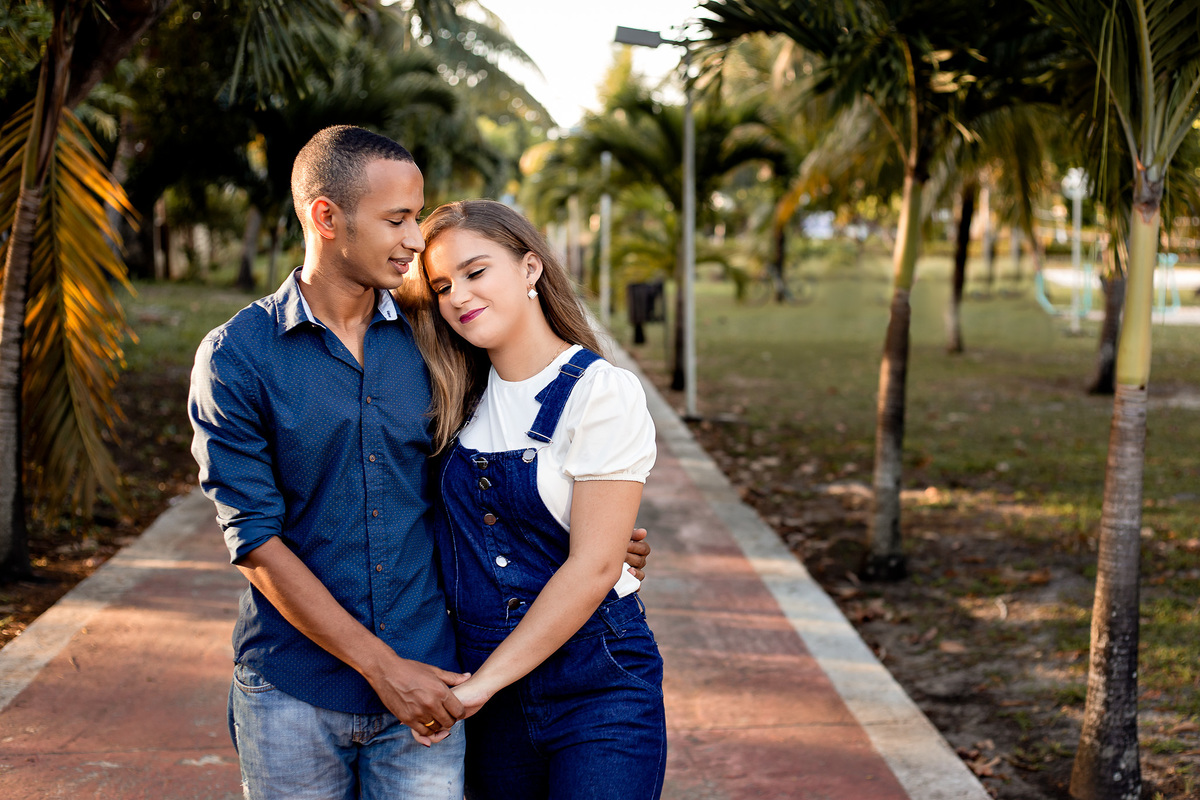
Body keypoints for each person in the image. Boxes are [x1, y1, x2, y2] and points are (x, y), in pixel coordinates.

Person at [188, 126, 650, 800]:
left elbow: (487, 480)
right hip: (292, 684)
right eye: (397, 219)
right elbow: (254, 540)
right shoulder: (238, 356)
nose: (413, 239)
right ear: (326, 216)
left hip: (433, 678)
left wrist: (596, 538)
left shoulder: (437, 340)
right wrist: (383, 670)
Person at [414, 199, 667, 800]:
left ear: (531, 269)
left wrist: (477, 688)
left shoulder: (598, 392)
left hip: (596, 679)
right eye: (442, 284)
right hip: (486, 687)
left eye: (476, 272)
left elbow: (596, 565)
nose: (458, 296)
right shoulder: (452, 399)